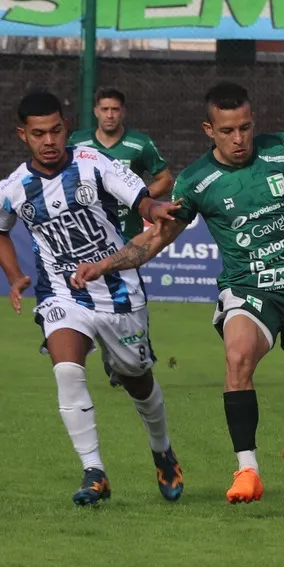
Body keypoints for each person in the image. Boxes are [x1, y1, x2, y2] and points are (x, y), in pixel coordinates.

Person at [72, 82, 284, 513]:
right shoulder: (196, 180)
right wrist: (104, 264)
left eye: (246, 128)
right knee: (238, 354)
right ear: (209, 129)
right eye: (228, 130)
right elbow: (155, 239)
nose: (239, 139)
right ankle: (246, 468)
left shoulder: (283, 150)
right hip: (248, 290)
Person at [0, 91, 185, 506]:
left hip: (118, 290)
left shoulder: (93, 163)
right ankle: (94, 471)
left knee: (137, 379)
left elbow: (138, 196)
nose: (49, 141)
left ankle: (162, 450)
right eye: (38, 133)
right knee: (66, 370)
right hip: (61, 292)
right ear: (22, 135)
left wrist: (154, 207)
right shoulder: (12, 189)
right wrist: (14, 276)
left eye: (56, 130)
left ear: (66, 127)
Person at [69, 87, 173, 387]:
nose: (110, 115)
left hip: (126, 237)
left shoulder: (139, 144)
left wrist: (138, 197)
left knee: (128, 297)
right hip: (87, 234)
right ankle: (96, 352)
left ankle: (137, 351)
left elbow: (166, 178)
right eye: (105, 109)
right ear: (96, 112)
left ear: (122, 112)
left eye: (115, 109)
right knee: (88, 298)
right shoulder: (78, 142)